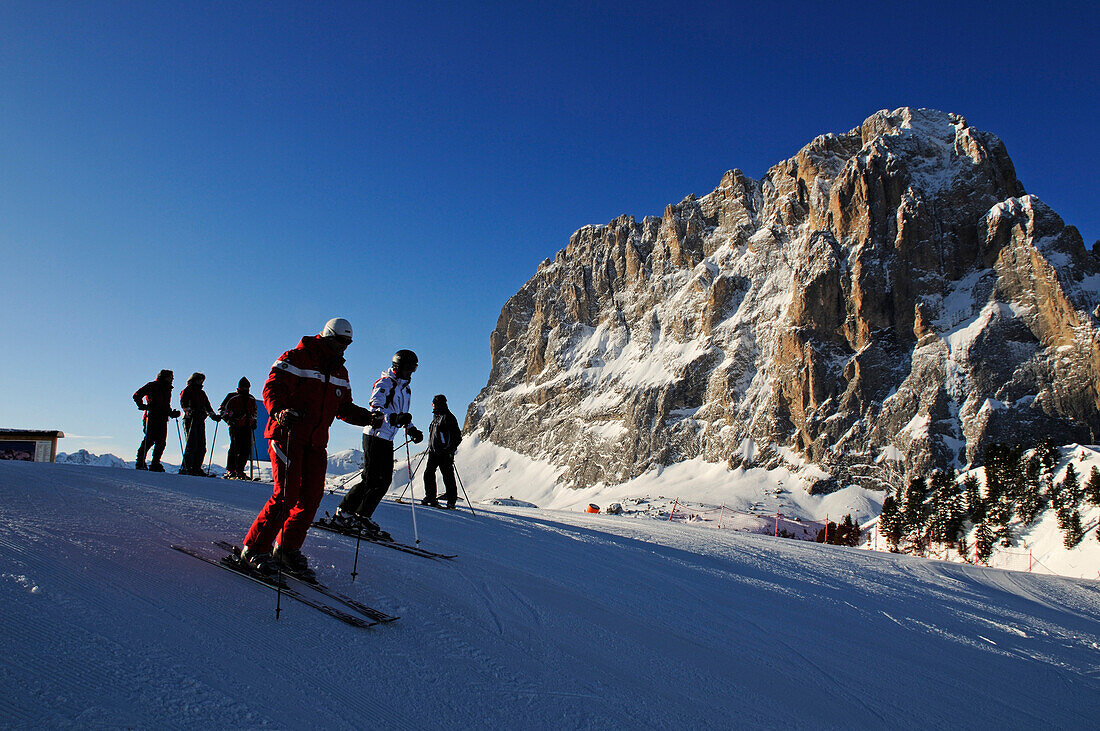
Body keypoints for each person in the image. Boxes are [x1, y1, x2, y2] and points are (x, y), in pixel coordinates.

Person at [240, 318, 374, 579]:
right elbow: (272, 388)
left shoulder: (339, 372)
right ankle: (254, 549)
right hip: (287, 434)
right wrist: (279, 411)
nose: (344, 347)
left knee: (311, 498)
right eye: (340, 341)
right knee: (286, 496)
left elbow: (343, 409)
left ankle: (286, 549)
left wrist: (369, 418)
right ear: (326, 336)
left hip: (316, 441)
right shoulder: (297, 357)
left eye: (348, 343)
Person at [332, 349, 423, 536]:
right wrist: (394, 419)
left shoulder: (405, 388)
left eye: (413, 369)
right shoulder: (386, 382)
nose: (410, 373)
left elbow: (401, 412)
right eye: (407, 369)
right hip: (374, 435)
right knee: (371, 478)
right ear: (398, 367)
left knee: (384, 481)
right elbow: (376, 406)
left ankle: (362, 515)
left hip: (387, 438)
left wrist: (411, 428)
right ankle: (344, 512)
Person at [133, 369, 180, 472]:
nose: (172, 379)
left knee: (160, 441)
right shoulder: (153, 385)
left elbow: (165, 405)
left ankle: (153, 463)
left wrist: (171, 413)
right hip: (152, 416)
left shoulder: (166, 389)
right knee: (150, 439)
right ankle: (143, 462)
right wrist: (142, 406)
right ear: (165, 377)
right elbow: (137, 395)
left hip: (161, 417)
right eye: (170, 377)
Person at [421, 394, 463, 508]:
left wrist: (449, 450)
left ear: (437, 404)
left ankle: (451, 501)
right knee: (428, 473)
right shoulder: (437, 416)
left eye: (433, 403)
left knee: (447, 476)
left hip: (444, 453)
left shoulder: (448, 417)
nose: (432, 406)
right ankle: (430, 497)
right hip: (434, 451)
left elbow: (457, 437)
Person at [178, 373, 221, 476]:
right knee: (192, 444)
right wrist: (189, 411)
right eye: (200, 380)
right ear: (194, 380)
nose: (201, 382)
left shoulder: (202, 393)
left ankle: (196, 467)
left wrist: (213, 416)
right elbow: (183, 403)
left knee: (201, 445)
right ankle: (187, 467)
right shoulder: (187, 390)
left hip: (200, 419)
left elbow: (207, 406)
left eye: (202, 380)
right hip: (190, 419)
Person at [219, 377, 258, 479]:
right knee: (235, 447)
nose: (246, 388)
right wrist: (229, 419)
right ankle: (231, 470)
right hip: (235, 425)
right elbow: (221, 410)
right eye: (244, 387)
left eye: (247, 387)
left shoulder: (251, 398)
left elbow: (254, 412)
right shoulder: (232, 397)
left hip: (247, 426)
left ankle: (240, 470)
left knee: (246, 449)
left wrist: (254, 422)